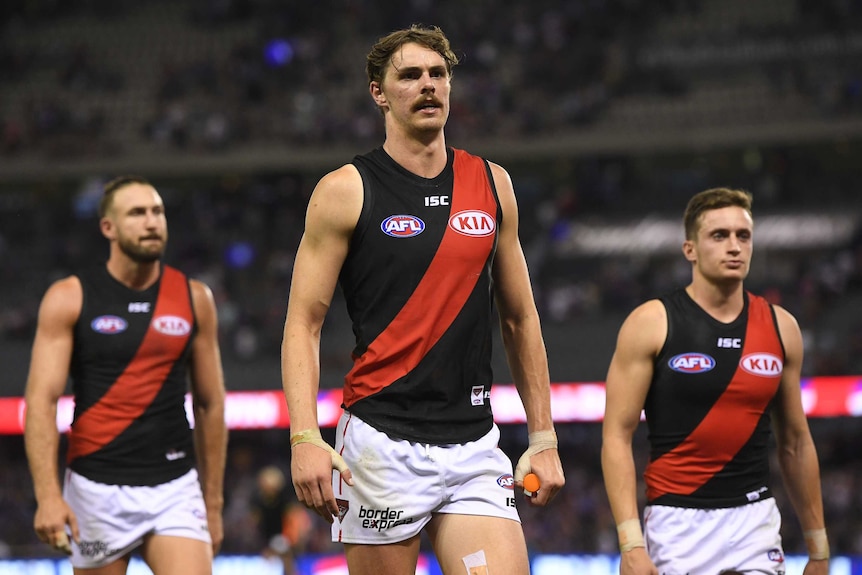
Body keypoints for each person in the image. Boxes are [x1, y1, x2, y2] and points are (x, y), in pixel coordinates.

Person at [281, 24, 565, 575]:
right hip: (380, 442)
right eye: (410, 76)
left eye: (438, 74)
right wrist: (303, 437)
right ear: (379, 93)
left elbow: (521, 318)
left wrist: (544, 434)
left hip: (475, 443)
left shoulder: (492, 183)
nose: (428, 85)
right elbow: (303, 323)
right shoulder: (345, 190)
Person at [601, 187, 829, 575]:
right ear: (690, 248)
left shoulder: (781, 327)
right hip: (676, 524)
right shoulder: (651, 323)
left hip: (754, 523)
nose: (735, 246)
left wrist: (819, 548)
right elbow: (616, 437)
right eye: (719, 236)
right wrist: (630, 543)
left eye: (743, 236)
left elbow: (795, 442)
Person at [24, 175, 228, 574]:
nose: (152, 222)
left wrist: (214, 504)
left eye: (157, 212)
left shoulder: (195, 298)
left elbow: (211, 404)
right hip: (95, 491)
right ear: (108, 228)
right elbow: (41, 402)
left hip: (175, 487)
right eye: (137, 213)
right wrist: (48, 496)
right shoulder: (70, 297)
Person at [250, 465, 312, 575]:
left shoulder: (284, 500)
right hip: (266, 539)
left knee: (285, 558)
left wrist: (292, 537)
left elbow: (293, 520)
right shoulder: (258, 500)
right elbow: (257, 522)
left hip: (284, 537)